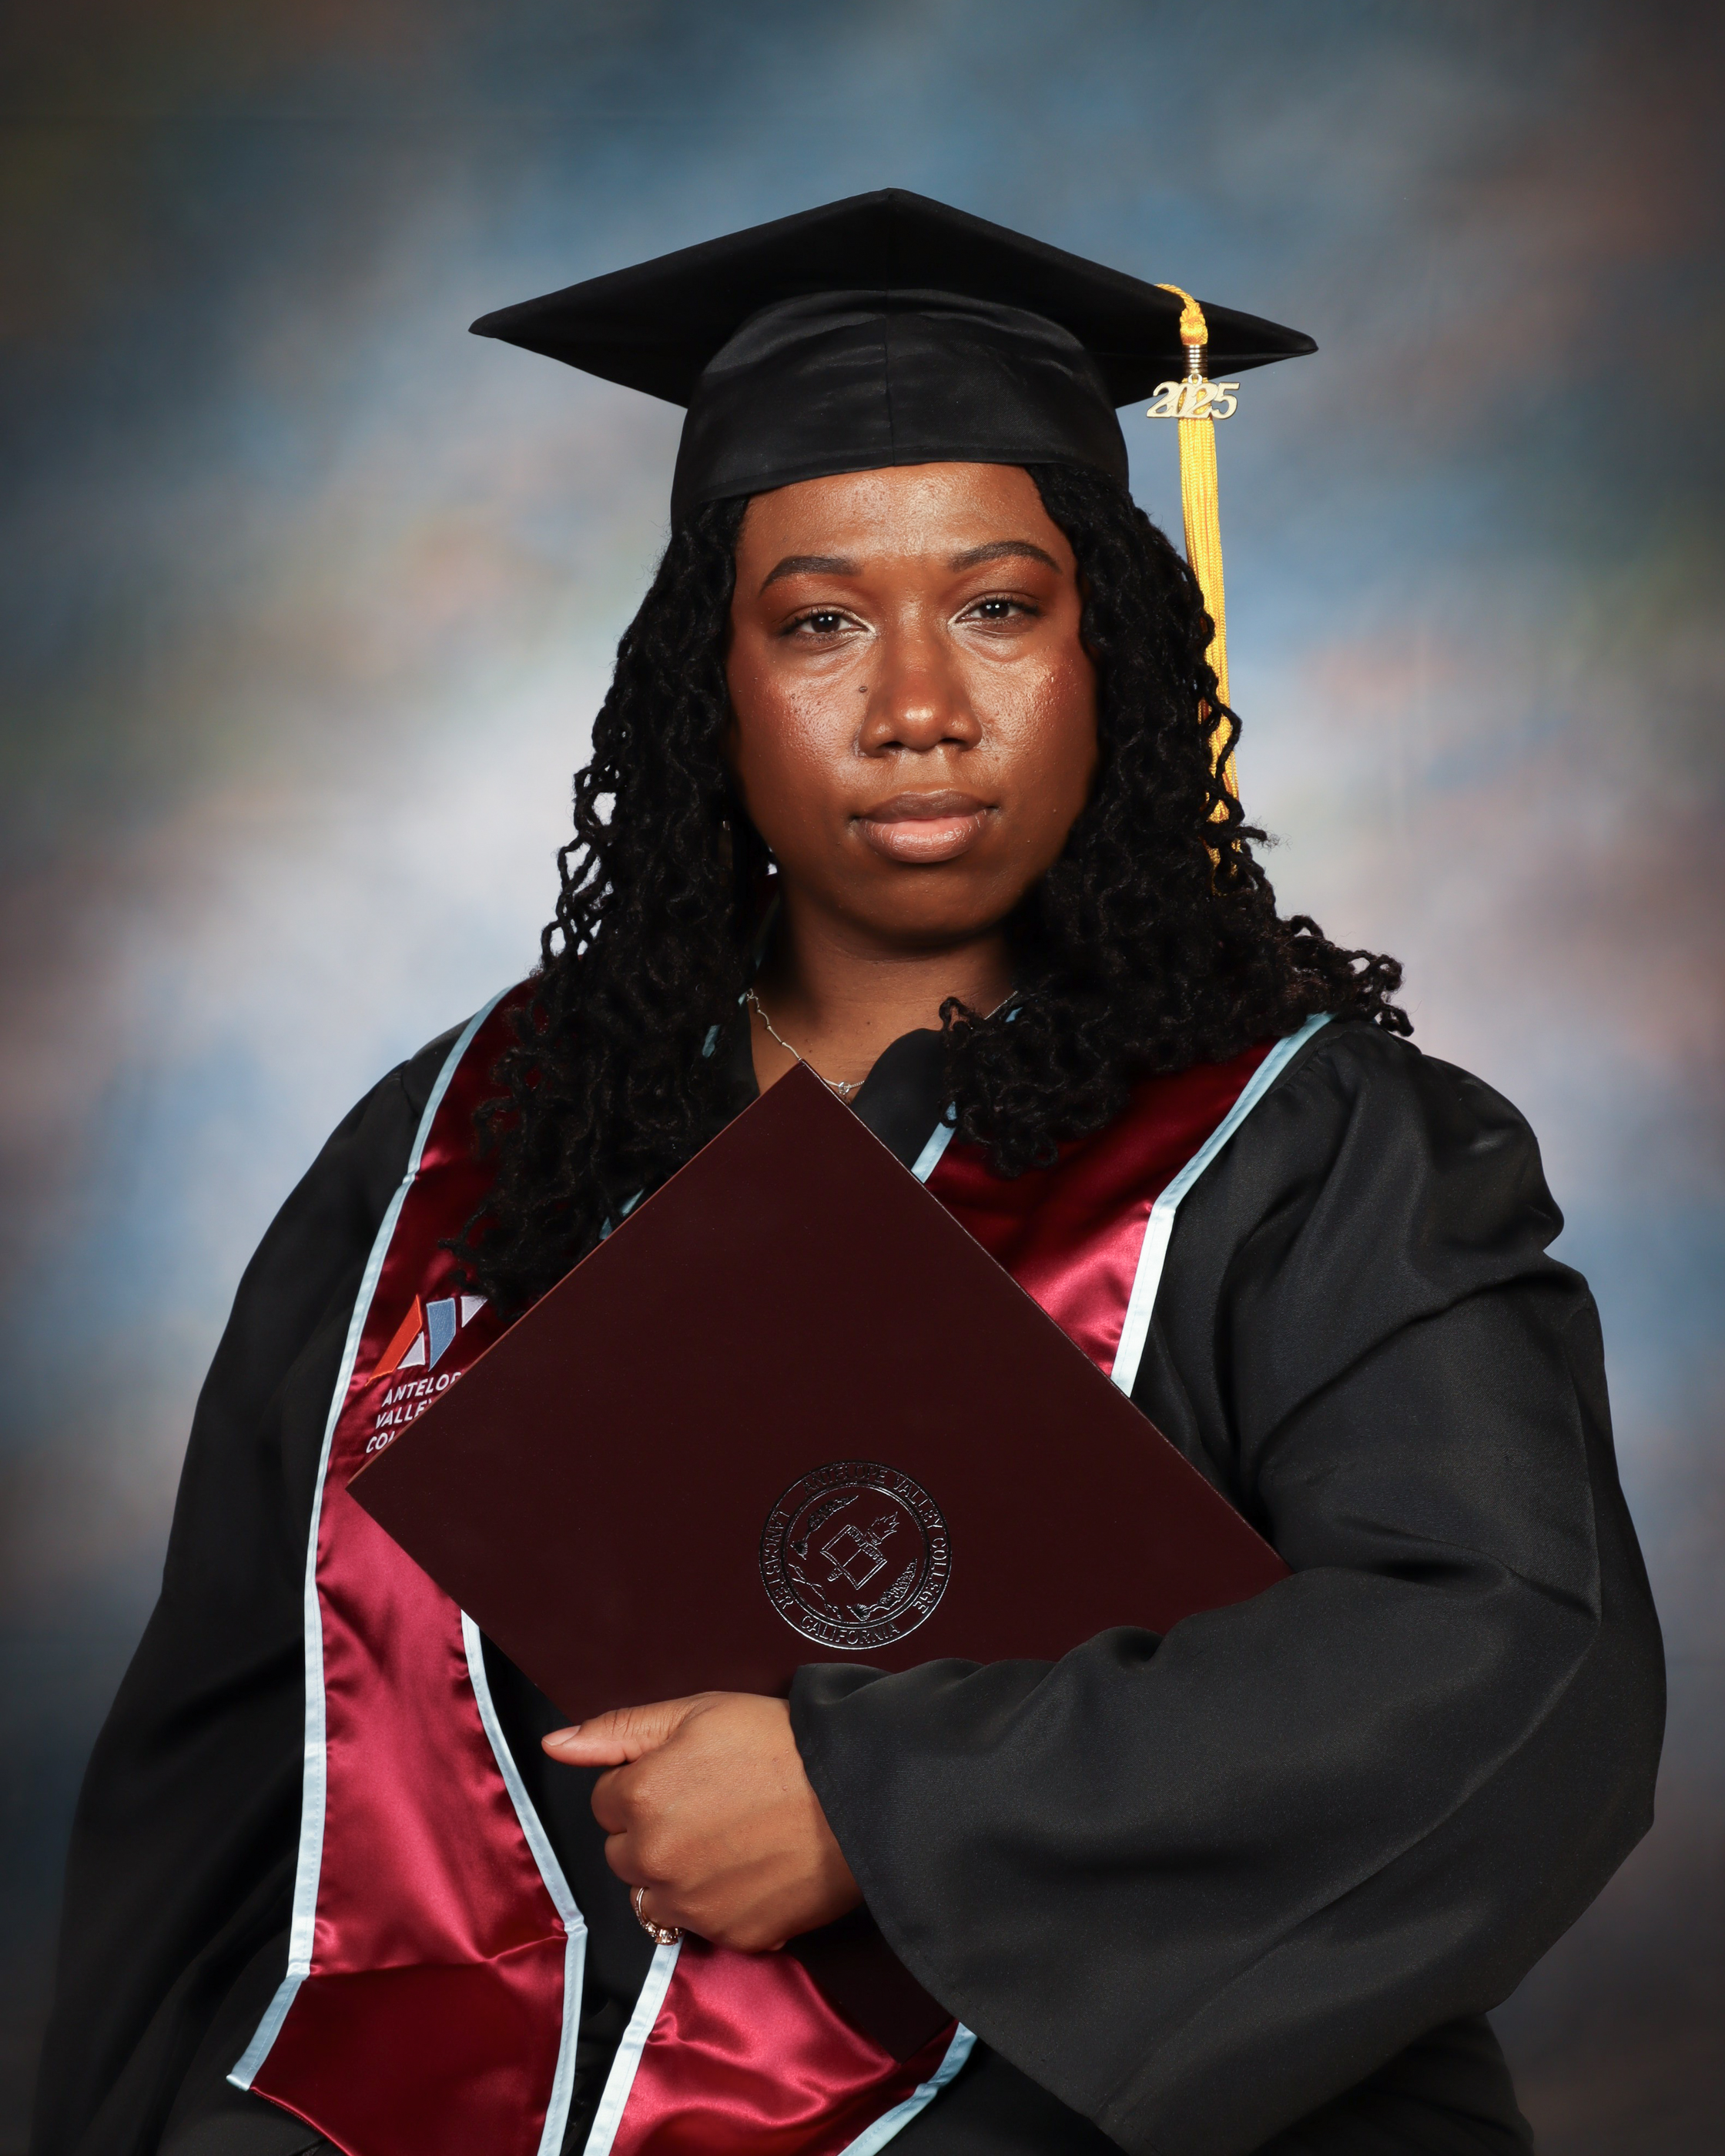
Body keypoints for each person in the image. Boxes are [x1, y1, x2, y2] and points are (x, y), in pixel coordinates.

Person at [31, 192, 1663, 2156]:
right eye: (817, 622)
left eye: (999, 607)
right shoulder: (454, 1141)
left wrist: (876, 1797)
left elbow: (1510, 1658)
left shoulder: (1318, 1150)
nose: (915, 710)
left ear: (1115, 653)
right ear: (704, 681)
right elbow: (224, 1784)